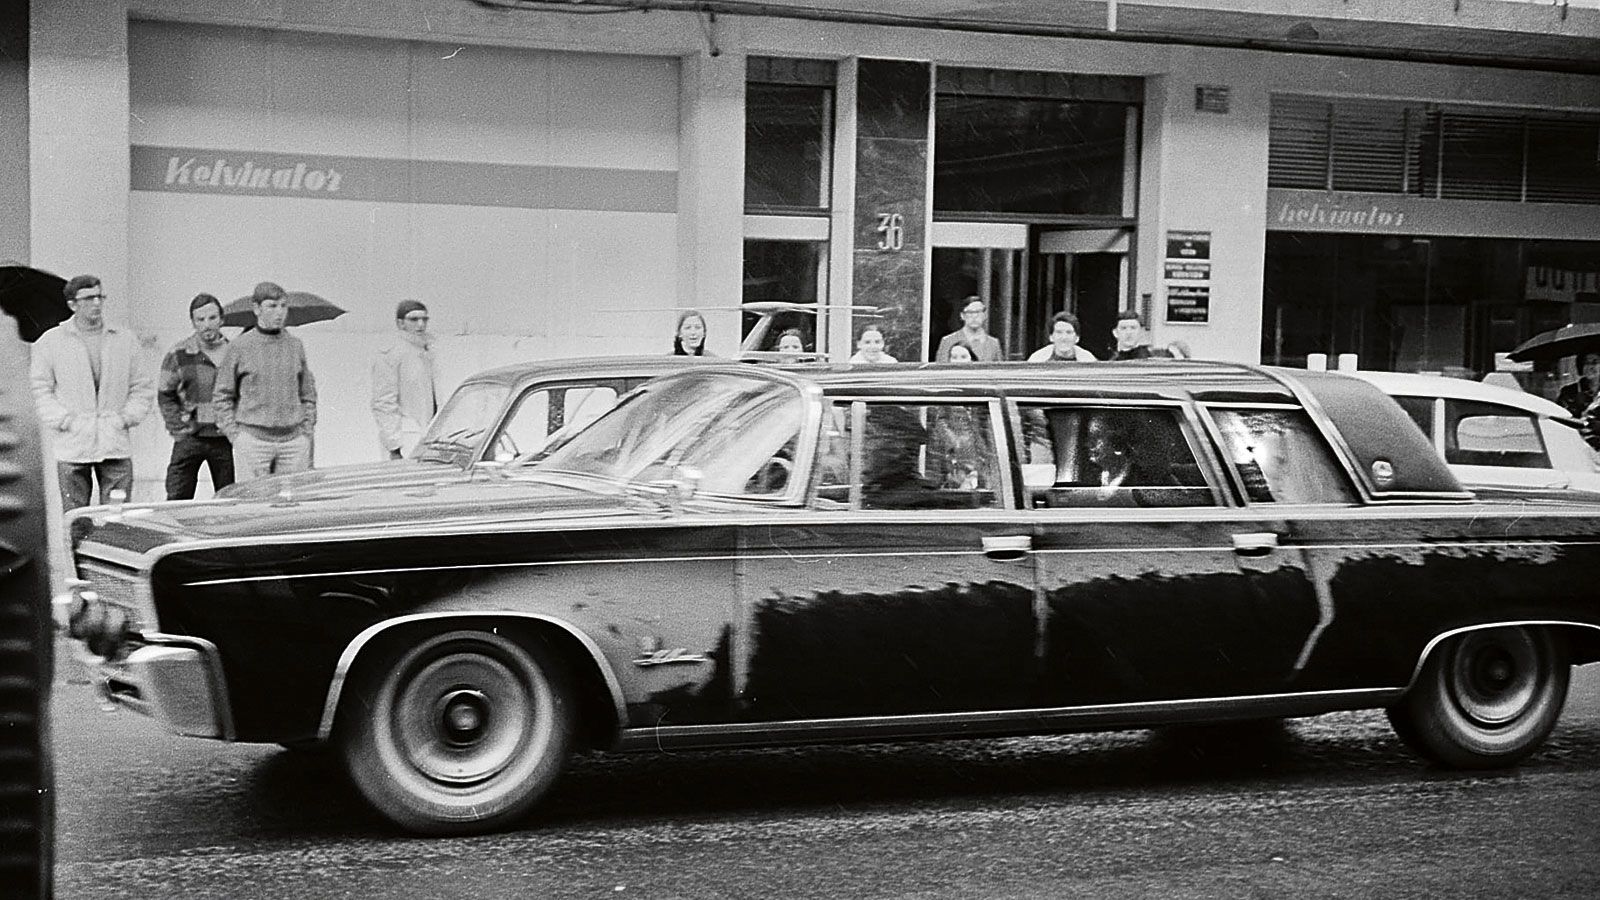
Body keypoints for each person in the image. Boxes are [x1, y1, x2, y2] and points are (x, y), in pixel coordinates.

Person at [29, 274, 154, 509]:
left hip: (114, 441)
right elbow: (40, 388)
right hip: (73, 444)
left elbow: (141, 385)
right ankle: (77, 547)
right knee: (75, 514)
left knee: (116, 514)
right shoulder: (52, 341)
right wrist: (64, 420)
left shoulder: (124, 339)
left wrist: (126, 418)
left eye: (99, 297)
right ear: (72, 304)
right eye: (88, 298)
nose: (96, 303)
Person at [214, 281, 317, 480]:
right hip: (253, 441)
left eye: (283, 306)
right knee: (253, 504)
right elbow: (222, 395)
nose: (279, 313)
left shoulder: (295, 346)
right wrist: (235, 436)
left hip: (293, 441)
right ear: (256, 308)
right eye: (272, 306)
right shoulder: (239, 347)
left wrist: (306, 430)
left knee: (292, 504)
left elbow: (308, 393)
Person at [156, 292, 235, 499]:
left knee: (228, 499)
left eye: (212, 318)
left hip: (225, 438)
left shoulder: (234, 352)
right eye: (200, 319)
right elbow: (165, 394)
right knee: (177, 497)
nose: (207, 324)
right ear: (193, 322)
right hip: (190, 436)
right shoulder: (179, 354)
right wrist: (178, 430)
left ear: (222, 319)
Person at [371, 299, 439, 459]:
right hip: (406, 437)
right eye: (414, 319)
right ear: (400, 323)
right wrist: (394, 446)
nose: (420, 325)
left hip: (430, 434)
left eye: (424, 319)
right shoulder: (392, 353)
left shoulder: (430, 350)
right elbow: (383, 402)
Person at [934, 296, 1003, 362]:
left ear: (984, 315)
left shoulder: (993, 343)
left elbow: (999, 371)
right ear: (962, 315)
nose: (974, 316)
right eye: (970, 312)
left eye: (978, 312)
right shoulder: (948, 341)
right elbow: (940, 370)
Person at [1027, 312, 1099, 362]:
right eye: (1059, 332)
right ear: (1051, 337)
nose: (1064, 338)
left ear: (1077, 338)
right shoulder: (1037, 359)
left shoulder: (1088, 360)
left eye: (1069, 332)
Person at [1557, 351, 1600, 418]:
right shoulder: (1568, 392)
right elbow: (1560, 417)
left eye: (1594, 362)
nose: (1589, 366)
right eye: (1586, 363)